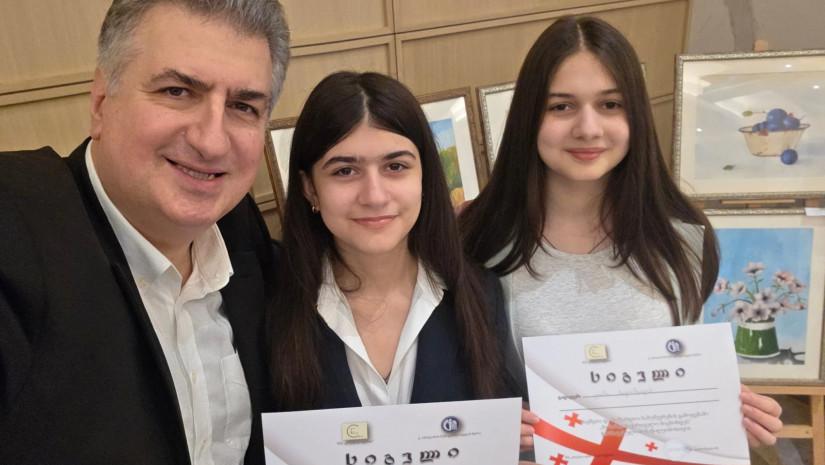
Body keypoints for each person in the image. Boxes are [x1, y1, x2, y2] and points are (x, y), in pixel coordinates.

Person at [458, 15, 783, 455]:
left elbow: (682, 376)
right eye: (561, 107)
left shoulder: (682, 239)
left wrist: (729, 415)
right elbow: (458, 390)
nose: (588, 128)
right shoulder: (479, 242)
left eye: (610, 104)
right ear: (528, 117)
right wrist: (485, 428)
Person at [0, 1, 289, 464]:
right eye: (177, 91)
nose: (212, 141)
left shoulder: (237, 225)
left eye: (242, 106)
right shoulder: (15, 227)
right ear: (101, 102)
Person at [267, 71, 521, 411]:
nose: (374, 196)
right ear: (310, 188)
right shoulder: (271, 306)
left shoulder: (480, 296)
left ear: (425, 176)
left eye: (396, 166)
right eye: (345, 171)